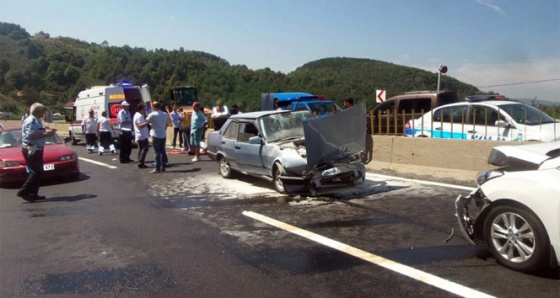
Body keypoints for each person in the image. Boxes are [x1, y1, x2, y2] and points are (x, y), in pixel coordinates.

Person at [17, 102, 57, 202]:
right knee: (36, 172)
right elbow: (31, 136)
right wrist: (45, 134)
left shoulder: (37, 120)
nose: (43, 113)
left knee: (39, 172)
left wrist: (48, 131)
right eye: (42, 111)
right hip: (32, 149)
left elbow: (40, 131)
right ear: (38, 111)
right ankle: (24, 191)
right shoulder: (31, 121)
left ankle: (33, 193)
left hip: (37, 148)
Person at [146, 101, 169, 173]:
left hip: (155, 135)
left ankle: (157, 167)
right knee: (162, 151)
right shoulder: (165, 114)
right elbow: (167, 123)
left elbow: (147, 121)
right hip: (163, 134)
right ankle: (163, 166)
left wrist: (151, 125)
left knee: (156, 152)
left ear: (154, 107)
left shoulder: (152, 114)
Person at [133, 103, 150, 168]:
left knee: (141, 148)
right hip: (142, 135)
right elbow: (140, 125)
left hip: (140, 135)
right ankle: (141, 162)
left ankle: (139, 160)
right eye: (144, 108)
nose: (145, 109)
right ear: (142, 109)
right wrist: (147, 122)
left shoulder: (137, 115)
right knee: (145, 148)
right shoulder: (139, 116)